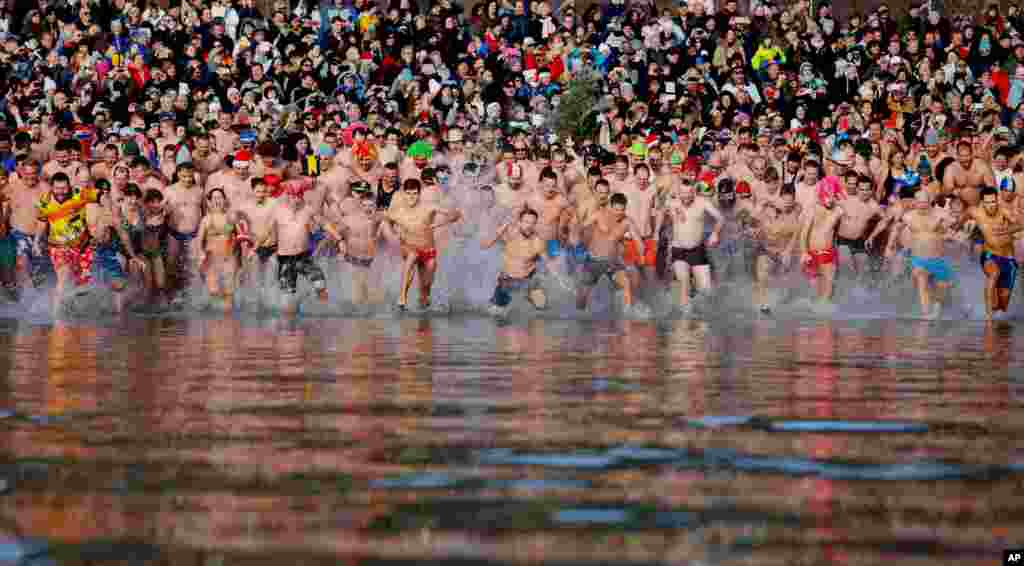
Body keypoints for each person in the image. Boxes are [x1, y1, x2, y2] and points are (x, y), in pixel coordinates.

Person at [383, 178, 463, 311]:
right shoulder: (397, 211)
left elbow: (456, 214)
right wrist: (394, 234)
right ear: (404, 194)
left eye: (414, 193)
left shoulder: (429, 206)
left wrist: (440, 223)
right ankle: (402, 297)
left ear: (419, 194)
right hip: (409, 249)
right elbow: (384, 220)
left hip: (428, 251)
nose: (411, 197)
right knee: (412, 256)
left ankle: (424, 299)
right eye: (408, 193)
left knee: (426, 287)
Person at [269, 182, 343, 314]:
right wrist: (256, 249)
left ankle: (325, 315)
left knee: (320, 285)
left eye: (299, 196)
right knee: (288, 308)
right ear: (287, 196)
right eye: (293, 197)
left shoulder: (308, 209)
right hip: (285, 259)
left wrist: (339, 239)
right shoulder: (278, 211)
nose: (296, 200)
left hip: (303, 257)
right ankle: (296, 305)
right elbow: (267, 232)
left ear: (302, 196)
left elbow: (325, 223)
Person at [34, 173, 98, 314]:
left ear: (69, 186)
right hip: (58, 247)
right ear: (51, 187)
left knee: (82, 284)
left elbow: (102, 195)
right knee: (64, 276)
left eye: (64, 188)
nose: (61, 192)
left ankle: (76, 312)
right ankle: (56, 316)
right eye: (57, 188)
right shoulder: (45, 202)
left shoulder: (80, 194)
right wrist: (36, 242)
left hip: (82, 247)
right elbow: (41, 223)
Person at [655, 183, 723, 312]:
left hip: (697, 250)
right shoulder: (673, 203)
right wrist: (657, 232)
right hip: (679, 250)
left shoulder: (702, 202)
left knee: (706, 292)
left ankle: (700, 320)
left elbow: (720, 218)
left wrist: (715, 233)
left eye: (689, 193)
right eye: (683, 193)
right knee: (684, 282)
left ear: (694, 193)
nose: (685, 196)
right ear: (679, 193)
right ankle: (684, 320)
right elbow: (660, 212)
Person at [575, 193, 642, 312]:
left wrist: (641, 254)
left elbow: (638, 240)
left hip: (612, 263)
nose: (619, 213)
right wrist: (578, 239)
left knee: (626, 283)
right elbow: (581, 226)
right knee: (582, 296)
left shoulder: (627, 222)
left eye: (622, 210)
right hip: (593, 261)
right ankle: (578, 316)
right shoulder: (599, 214)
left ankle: (628, 315)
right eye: (616, 209)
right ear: (611, 207)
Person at [963, 187, 1024, 318]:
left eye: (994, 201)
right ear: (982, 202)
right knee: (994, 274)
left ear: (997, 200)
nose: (991, 205)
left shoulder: (1004, 211)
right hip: (990, 255)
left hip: (1008, 259)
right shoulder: (975, 211)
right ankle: (988, 318)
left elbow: (1020, 224)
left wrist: (1006, 230)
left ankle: (979, 310)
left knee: (1002, 305)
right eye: (988, 202)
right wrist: (957, 228)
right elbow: (960, 220)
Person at [898, 190, 958, 319]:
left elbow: (953, 227)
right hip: (918, 259)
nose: (922, 205)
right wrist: (891, 246)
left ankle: (938, 308)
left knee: (943, 289)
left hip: (938, 259)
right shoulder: (908, 216)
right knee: (921, 279)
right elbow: (897, 228)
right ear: (914, 202)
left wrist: (949, 231)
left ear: (930, 201)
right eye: (919, 202)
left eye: (925, 202)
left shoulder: (941, 213)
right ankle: (926, 314)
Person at [481, 208, 547, 317]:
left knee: (541, 305)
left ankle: (528, 297)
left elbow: (548, 261)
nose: (529, 226)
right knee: (497, 313)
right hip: (507, 280)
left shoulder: (537, 242)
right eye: (526, 222)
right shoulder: (510, 235)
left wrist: (560, 276)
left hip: (528, 279)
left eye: (533, 223)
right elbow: (485, 245)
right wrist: (502, 228)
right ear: (519, 222)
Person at [749, 185, 801, 313]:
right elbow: (752, 220)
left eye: (790, 202)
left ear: (794, 200)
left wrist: (788, 251)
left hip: (782, 252)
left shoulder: (796, 212)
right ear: (780, 198)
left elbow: (796, 235)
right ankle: (762, 306)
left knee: (782, 283)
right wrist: (754, 228)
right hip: (766, 249)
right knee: (762, 274)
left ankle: (779, 304)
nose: (787, 204)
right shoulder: (769, 209)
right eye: (785, 201)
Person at [799, 177, 847, 304]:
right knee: (814, 291)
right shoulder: (813, 210)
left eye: (832, 196)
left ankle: (825, 320)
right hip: (811, 253)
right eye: (827, 196)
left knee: (827, 291)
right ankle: (816, 317)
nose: (830, 200)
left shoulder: (838, 211)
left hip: (828, 253)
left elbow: (838, 231)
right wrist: (804, 252)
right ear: (821, 194)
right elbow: (804, 233)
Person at [196, 188, 243, 312]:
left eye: (220, 197)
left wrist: (242, 259)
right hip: (212, 259)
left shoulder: (231, 217)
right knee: (214, 291)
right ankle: (215, 321)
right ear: (210, 202)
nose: (218, 200)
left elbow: (241, 237)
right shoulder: (206, 219)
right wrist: (200, 255)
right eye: (215, 198)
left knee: (229, 293)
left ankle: (228, 321)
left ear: (225, 200)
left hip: (229, 258)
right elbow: (199, 240)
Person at [337, 191, 384, 306]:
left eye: (371, 206)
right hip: (353, 261)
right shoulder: (350, 220)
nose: (368, 209)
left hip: (372, 262)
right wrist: (340, 244)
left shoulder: (381, 219)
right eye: (364, 206)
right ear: (360, 206)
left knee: (375, 300)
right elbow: (332, 234)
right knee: (357, 299)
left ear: (376, 206)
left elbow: (394, 236)